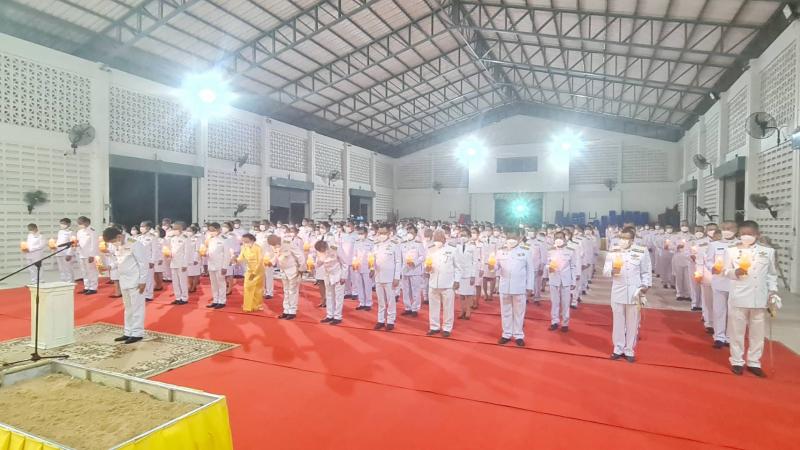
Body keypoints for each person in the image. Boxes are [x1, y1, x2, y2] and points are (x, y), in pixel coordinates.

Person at [724, 221, 778, 377]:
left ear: (757, 234)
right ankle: (737, 361)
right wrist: (734, 272)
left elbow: (771, 274)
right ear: (739, 235)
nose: (746, 236)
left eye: (750, 234)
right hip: (739, 296)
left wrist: (772, 292)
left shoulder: (767, 252)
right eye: (743, 234)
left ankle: (754, 362)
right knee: (737, 331)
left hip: (758, 297)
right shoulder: (731, 251)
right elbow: (725, 271)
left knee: (757, 333)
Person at [603, 227, 651, 362]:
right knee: (618, 321)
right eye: (621, 238)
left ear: (632, 239)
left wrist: (645, 285)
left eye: (626, 238)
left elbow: (646, 271)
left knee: (632, 322)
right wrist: (612, 271)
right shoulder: (613, 251)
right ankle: (618, 348)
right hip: (618, 290)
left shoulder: (641, 251)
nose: (623, 240)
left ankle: (629, 349)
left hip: (634, 291)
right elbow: (605, 271)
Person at [102, 226, 148, 344]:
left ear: (119, 236)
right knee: (128, 308)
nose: (113, 244)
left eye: (113, 241)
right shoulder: (119, 245)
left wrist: (143, 281)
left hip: (136, 281)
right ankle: (128, 332)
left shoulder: (134, 243)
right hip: (124, 280)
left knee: (137, 308)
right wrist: (109, 266)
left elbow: (143, 263)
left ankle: (137, 333)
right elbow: (120, 260)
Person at [496, 230, 532, 346]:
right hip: (505, 286)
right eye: (509, 237)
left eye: (514, 237)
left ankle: (518, 335)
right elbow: (495, 267)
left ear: (519, 238)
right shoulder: (500, 251)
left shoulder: (525, 251)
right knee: (505, 311)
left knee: (519, 312)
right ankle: (506, 334)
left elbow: (530, 270)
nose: (511, 240)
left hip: (519, 287)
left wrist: (529, 286)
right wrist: (492, 265)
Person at [707, 221, 738, 348]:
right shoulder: (714, 245)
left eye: (729, 228)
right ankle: (719, 336)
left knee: (733, 312)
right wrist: (712, 267)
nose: (727, 230)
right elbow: (708, 260)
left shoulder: (740, 244)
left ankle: (730, 337)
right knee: (719, 310)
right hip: (719, 281)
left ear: (736, 229)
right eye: (724, 228)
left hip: (735, 282)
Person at [425, 230, 461, 337]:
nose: (437, 240)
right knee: (433, 307)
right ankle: (434, 327)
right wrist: (427, 268)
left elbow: (458, 267)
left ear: (444, 238)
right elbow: (426, 264)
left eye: (439, 237)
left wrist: (457, 280)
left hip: (448, 284)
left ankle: (447, 328)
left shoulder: (452, 249)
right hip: (433, 283)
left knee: (448, 308)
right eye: (435, 238)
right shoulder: (430, 249)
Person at [372, 224, 401, 331]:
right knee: (380, 300)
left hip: (390, 277)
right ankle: (380, 320)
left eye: (384, 233)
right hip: (378, 276)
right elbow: (373, 259)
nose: (381, 235)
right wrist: (371, 268)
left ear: (389, 233)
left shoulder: (394, 244)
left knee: (390, 300)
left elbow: (398, 262)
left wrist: (397, 277)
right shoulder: (376, 244)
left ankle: (390, 321)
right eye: (380, 233)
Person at [270, 234, 304, 320]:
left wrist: (301, 268)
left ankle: (292, 311)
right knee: (286, 291)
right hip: (283, 270)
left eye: (274, 244)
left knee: (292, 291)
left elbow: (300, 255)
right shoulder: (274, 245)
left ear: (277, 240)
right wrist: (271, 262)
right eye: (272, 245)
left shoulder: (288, 242)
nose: (274, 246)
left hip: (293, 269)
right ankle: (286, 310)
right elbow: (276, 256)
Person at [547, 231, 576, 332]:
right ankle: (554, 322)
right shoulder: (550, 250)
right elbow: (546, 264)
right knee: (554, 302)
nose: (558, 239)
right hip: (554, 278)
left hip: (566, 280)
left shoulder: (570, 251)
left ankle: (565, 323)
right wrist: (549, 268)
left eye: (560, 237)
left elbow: (573, 267)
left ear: (564, 239)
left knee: (565, 302)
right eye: (556, 237)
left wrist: (573, 281)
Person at [316, 240, 347, 325]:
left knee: (338, 297)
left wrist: (344, 276)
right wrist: (312, 266)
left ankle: (338, 317)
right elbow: (319, 262)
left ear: (325, 247)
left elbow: (344, 263)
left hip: (338, 275)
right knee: (329, 296)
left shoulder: (335, 248)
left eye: (322, 250)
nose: (321, 252)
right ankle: (329, 315)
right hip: (328, 275)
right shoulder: (320, 251)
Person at [400, 225, 426, 317]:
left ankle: (415, 309)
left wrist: (415, 263)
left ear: (415, 233)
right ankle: (407, 308)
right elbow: (400, 257)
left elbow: (423, 256)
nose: (409, 234)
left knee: (415, 291)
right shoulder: (403, 243)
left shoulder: (418, 243)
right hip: (405, 270)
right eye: (408, 232)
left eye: (411, 232)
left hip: (415, 270)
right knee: (406, 291)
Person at [455, 228, 480, 320]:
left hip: (469, 273)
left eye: (465, 235)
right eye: (461, 235)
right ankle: (462, 310)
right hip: (459, 273)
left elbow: (475, 262)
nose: (463, 237)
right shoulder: (457, 247)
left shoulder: (473, 247)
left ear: (469, 236)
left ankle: (468, 311)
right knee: (461, 294)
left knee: (469, 294)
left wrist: (473, 275)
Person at [237, 233, 265, 313]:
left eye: (246, 241)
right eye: (243, 241)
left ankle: (257, 305)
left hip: (258, 270)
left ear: (252, 240)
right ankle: (248, 306)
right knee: (248, 287)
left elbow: (260, 261)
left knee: (258, 289)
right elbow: (240, 258)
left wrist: (255, 272)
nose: (245, 243)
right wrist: (235, 260)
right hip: (249, 270)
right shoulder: (244, 247)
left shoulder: (258, 248)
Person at [205, 223, 230, 309]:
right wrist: (205, 253)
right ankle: (215, 300)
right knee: (214, 284)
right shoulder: (210, 239)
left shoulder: (224, 239)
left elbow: (227, 254)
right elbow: (209, 250)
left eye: (213, 230)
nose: (211, 232)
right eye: (210, 230)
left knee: (221, 283)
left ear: (219, 229)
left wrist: (225, 266)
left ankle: (222, 301)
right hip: (211, 264)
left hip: (220, 265)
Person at [352, 226, 374, 311]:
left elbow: (373, 257)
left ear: (366, 234)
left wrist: (372, 268)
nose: (360, 235)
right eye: (359, 233)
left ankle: (368, 303)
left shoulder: (371, 243)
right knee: (359, 286)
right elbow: (354, 255)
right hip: (358, 267)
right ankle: (361, 303)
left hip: (367, 267)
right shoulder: (356, 242)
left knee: (367, 286)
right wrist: (354, 264)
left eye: (362, 233)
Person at [136, 221, 159, 302]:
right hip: (139, 261)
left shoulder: (153, 237)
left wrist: (152, 261)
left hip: (148, 261)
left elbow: (155, 250)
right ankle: (141, 294)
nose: (141, 228)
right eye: (140, 226)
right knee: (140, 278)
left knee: (149, 278)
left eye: (143, 226)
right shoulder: (138, 237)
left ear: (148, 228)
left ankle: (149, 295)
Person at [168, 221, 190, 305]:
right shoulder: (173, 238)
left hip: (181, 263)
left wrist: (185, 264)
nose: (174, 230)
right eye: (173, 228)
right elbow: (172, 250)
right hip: (174, 262)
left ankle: (184, 298)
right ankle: (177, 297)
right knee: (175, 282)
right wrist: (169, 254)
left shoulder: (185, 238)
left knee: (182, 282)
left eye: (176, 228)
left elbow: (187, 252)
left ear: (181, 228)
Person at [76, 216, 99, 295]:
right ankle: (86, 287)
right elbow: (78, 242)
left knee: (91, 271)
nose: (80, 225)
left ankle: (93, 288)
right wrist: (77, 249)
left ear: (86, 222)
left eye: (81, 223)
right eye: (78, 223)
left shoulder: (92, 231)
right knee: (84, 271)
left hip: (89, 254)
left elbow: (94, 244)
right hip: (81, 254)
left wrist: (92, 255)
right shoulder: (79, 232)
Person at [55, 218, 75, 283]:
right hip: (59, 251)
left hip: (66, 252)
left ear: (68, 224)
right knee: (61, 269)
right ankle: (63, 281)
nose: (62, 225)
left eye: (64, 224)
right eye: (61, 223)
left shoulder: (71, 232)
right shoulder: (60, 232)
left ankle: (70, 282)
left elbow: (72, 244)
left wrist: (69, 254)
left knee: (68, 268)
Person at [186, 224, 202, 293]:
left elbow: (198, 249)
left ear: (194, 231)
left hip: (195, 258)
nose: (188, 232)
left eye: (189, 231)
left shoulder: (197, 239)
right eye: (187, 231)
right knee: (189, 274)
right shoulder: (186, 238)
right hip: (187, 258)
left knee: (195, 273)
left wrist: (196, 259)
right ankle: (190, 285)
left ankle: (194, 286)